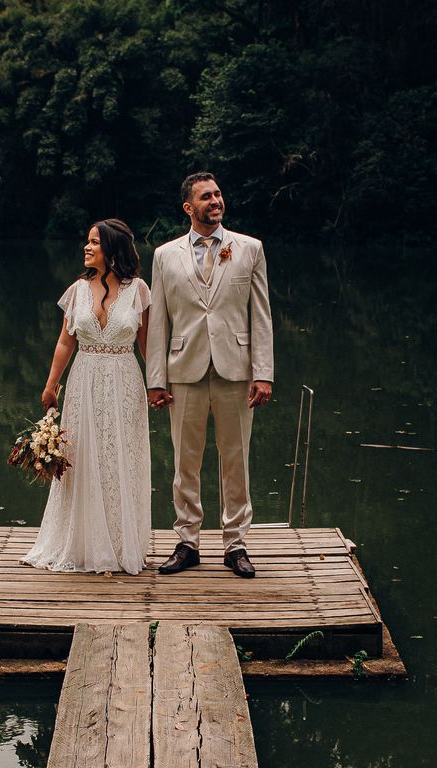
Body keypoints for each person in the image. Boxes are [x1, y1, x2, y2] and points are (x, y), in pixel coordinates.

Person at [144, 172, 274, 578]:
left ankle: (235, 544)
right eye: (206, 196)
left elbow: (261, 315)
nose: (215, 201)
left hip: (236, 369)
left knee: (236, 460)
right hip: (185, 369)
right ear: (189, 207)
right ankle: (187, 542)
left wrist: (263, 372)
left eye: (218, 194)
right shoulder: (165, 256)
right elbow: (159, 321)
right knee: (186, 461)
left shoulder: (249, 248)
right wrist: (156, 379)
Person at [22, 218, 154, 576]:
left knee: (120, 457)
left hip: (125, 380)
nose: (87, 247)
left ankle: (120, 542)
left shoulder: (139, 290)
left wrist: (159, 385)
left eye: (95, 242)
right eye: (87, 241)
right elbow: (66, 341)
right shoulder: (77, 290)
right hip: (83, 380)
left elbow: (147, 346)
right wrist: (51, 385)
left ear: (113, 249)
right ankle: (81, 543)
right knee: (81, 456)